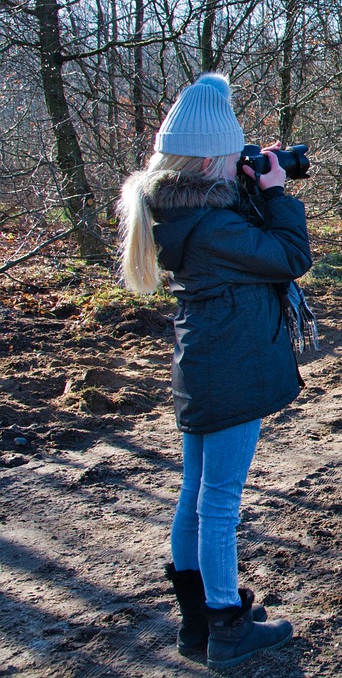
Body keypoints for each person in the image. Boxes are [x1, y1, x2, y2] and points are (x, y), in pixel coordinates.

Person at [116, 72, 310, 667]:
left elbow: (251, 248)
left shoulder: (185, 213)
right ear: (207, 166)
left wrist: (255, 187)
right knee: (220, 502)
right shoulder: (215, 226)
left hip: (203, 363)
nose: (239, 167)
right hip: (228, 369)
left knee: (196, 494)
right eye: (231, 159)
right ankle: (226, 623)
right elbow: (290, 257)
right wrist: (276, 195)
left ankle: (196, 623)